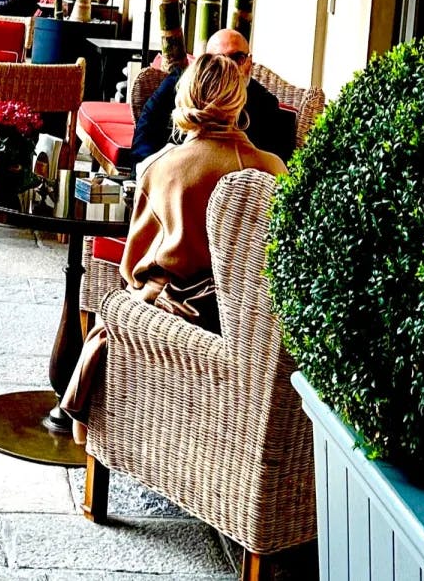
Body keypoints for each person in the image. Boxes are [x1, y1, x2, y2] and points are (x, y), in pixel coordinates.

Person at [61, 53, 287, 439]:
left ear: (186, 98)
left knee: (111, 313)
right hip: (249, 329)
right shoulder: (273, 169)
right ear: (239, 101)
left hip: (177, 316)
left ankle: (86, 436)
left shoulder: (163, 167)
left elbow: (131, 265)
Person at [131, 28, 296, 166]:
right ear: (203, 62)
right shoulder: (178, 85)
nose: (227, 66)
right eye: (217, 59)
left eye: (237, 58)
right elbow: (146, 134)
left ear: (249, 63)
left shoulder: (265, 104)